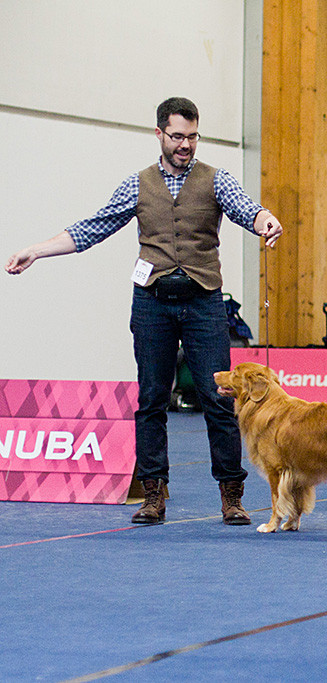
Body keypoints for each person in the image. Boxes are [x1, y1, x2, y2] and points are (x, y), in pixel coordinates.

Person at [5, 97, 283, 526]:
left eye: (192, 136)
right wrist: (37, 251)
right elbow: (93, 227)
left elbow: (247, 207)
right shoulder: (138, 184)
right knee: (152, 399)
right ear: (159, 134)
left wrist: (265, 220)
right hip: (151, 303)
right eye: (177, 136)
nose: (186, 145)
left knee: (216, 399)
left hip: (204, 301)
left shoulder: (216, 180)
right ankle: (153, 495)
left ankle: (232, 496)